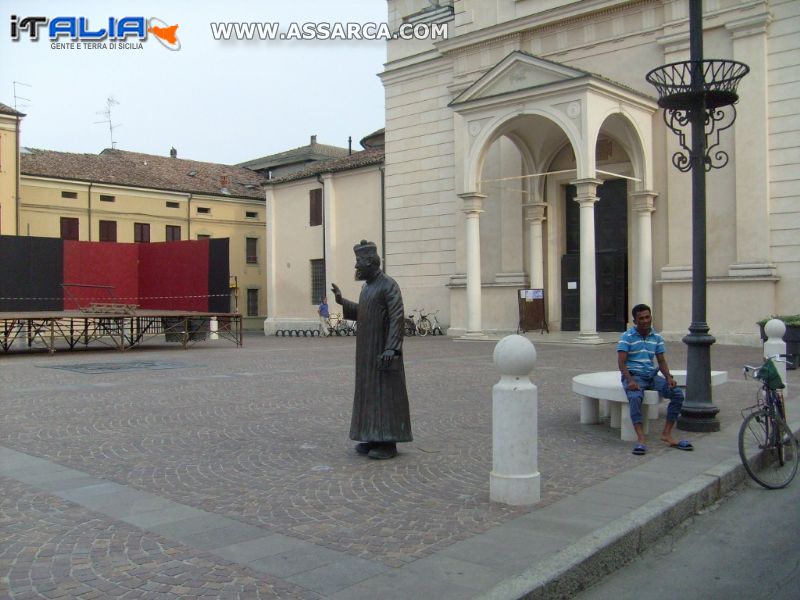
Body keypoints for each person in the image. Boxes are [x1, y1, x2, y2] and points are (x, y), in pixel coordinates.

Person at [330, 240, 412, 459]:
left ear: (370, 263)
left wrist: (392, 349)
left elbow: (397, 318)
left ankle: (388, 442)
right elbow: (363, 312)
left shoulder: (388, 285)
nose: (356, 267)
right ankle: (372, 435)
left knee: (385, 394)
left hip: (383, 350)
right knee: (369, 394)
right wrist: (342, 301)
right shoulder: (367, 287)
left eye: (358, 263)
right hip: (366, 351)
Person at [617, 303, 692, 455]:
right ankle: (641, 439)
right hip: (634, 375)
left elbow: (661, 360)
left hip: (651, 375)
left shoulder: (656, 337)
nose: (645, 321)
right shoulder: (627, 337)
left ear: (651, 317)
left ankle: (667, 434)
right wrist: (630, 380)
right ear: (635, 321)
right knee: (635, 397)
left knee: (677, 394)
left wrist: (668, 377)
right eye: (641, 318)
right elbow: (621, 362)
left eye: (647, 317)